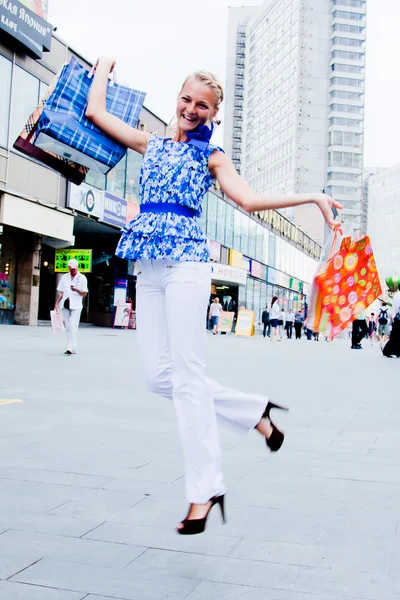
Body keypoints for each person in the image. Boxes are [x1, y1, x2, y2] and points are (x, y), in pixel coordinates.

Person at [86, 56, 341, 535]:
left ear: (213, 113)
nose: (191, 109)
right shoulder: (152, 143)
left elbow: (247, 199)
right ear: (176, 100)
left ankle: (204, 490)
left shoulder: (212, 157)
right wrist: (102, 68)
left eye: (202, 105)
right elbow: (98, 113)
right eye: (185, 99)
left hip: (186, 264)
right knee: (158, 377)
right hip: (150, 265)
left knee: (186, 378)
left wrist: (312, 197)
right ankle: (255, 412)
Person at [54, 259, 88, 355]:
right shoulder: (65, 277)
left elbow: (84, 293)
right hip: (65, 304)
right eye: (71, 269)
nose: (73, 270)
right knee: (68, 326)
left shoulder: (82, 278)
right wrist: (56, 303)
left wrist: (76, 289)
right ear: (69, 268)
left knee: (73, 324)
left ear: (77, 267)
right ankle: (70, 347)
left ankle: (73, 346)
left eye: (74, 268)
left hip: (76, 305)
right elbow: (61, 292)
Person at [383, 284, 400, 358]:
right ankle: (389, 350)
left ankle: (391, 351)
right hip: (398, 318)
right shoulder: (398, 297)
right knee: (396, 336)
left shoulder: (396, 296)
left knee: (395, 336)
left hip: (396, 318)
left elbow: (394, 308)